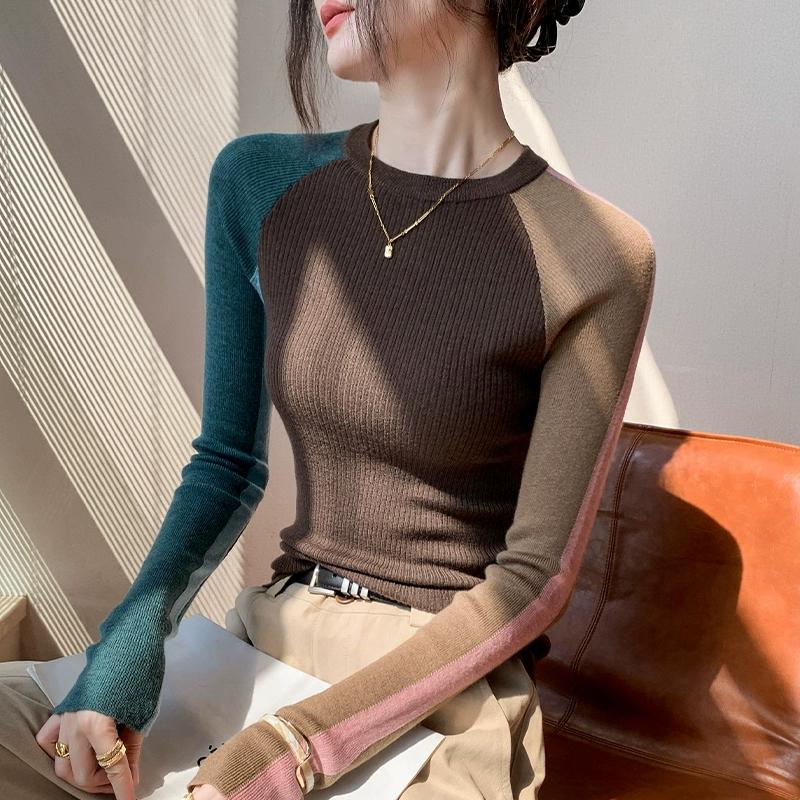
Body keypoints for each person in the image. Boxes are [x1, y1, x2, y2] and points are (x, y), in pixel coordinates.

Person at [0, 0, 657, 798]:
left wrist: (294, 749)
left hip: (439, 685)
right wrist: (124, 654)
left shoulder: (597, 254)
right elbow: (225, 465)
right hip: (270, 639)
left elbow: (532, 580)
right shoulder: (259, 182)